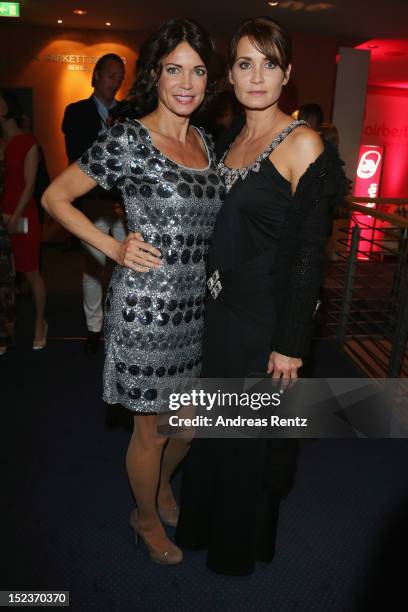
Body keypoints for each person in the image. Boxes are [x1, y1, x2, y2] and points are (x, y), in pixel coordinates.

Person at [42, 18, 222, 565]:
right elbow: (55, 198)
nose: (186, 82)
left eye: (197, 70)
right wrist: (114, 248)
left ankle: (159, 489)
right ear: (155, 74)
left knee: (185, 431)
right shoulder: (128, 137)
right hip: (147, 309)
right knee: (151, 432)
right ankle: (144, 517)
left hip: (195, 310)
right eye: (174, 69)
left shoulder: (208, 143)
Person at [172, 17, 348, 575]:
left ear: (287, 74)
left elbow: (307, 256)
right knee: (215, 431)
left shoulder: (303, 143)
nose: (256, 76)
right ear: (230, 73)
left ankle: (237, 549)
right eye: (245, 63)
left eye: (269, 64)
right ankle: (202, 525)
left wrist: (291, 342)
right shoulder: (230, 139)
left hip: (267, 319)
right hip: (221, 313)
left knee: (250, 438)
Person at [62, 53, 127, 353]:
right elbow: (77, 157)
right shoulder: (76, 112)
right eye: (111, 75)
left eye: (120, 77)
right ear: (97, 76)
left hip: (125, 206)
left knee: (126, 267)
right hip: (94, 202)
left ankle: (119, 324)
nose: (115, 82)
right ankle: (94, 328)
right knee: (93, 266)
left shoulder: (129, 114)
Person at [0, 90, 47, 350]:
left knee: (30, 272)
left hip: (23, 214)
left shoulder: (28, 141)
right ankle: (5, 329)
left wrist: (15, 216)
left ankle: (40, 322)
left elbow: (30, 186)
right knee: (5, 278)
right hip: (1, 213)